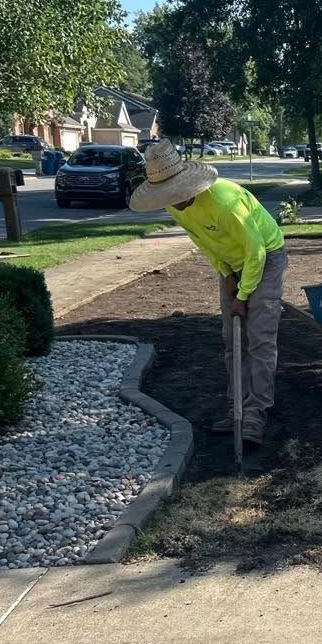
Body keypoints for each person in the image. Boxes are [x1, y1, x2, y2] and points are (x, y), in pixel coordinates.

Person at [129, 137, 287, 446]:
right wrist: (227, 274)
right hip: (230, 262)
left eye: (176, 193)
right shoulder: (175, 206)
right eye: (167, 196)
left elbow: (256, 252)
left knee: (259, 339)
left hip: (266, 257)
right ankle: (237, 408)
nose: (174, 201)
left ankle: (255, 415)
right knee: (232, 341)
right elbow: (203, 241)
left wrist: (243, 297)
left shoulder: (225, 202)